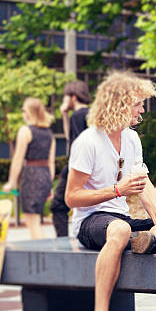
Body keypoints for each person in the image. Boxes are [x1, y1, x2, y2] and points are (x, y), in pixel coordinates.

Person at [65, 71, 156, 311]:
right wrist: (117, 190)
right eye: (137, 103)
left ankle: (151, 236)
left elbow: (144, 184)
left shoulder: (132, 139)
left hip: (118, 218)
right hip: (90, 221)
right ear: (119, 103)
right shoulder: (88, 142)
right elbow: (71, 198)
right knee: (120, 230)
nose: (142, 109)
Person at [3, 97, 55, 240]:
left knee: (32, 221)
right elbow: (51, 163)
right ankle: (41, 254)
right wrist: (49, 185)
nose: (22, 113)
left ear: (30, 112)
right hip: (44, 177)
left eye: (24, 110)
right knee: (36, 220)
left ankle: (41, 256)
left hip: (31, 176)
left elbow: (18, 159)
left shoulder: (25, 131)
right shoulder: (49, 134)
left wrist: (12, 182)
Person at [50, 81, 91, 237]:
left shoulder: (78, 115)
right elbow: (71, 139)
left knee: (58, 206)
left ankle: (63, 242)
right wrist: (64, 115)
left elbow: (73, 144)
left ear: (73, 97)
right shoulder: (89, 113)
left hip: (76, 166)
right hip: (89, 166)